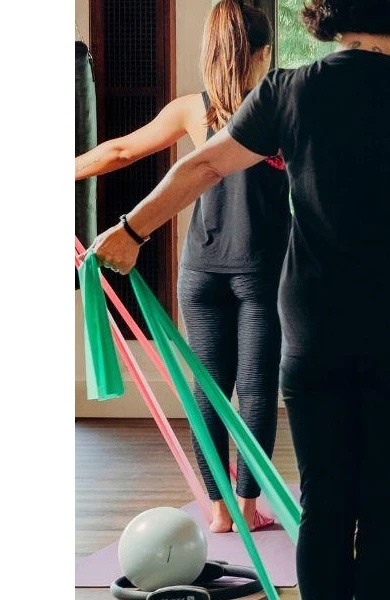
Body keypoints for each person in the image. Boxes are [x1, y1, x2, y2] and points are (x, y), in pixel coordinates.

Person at [90, 1, 390, 597]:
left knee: (322, 500)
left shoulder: (287, 90)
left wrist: (133, 228)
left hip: (313, 326)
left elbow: (207, 165)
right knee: (382, 503)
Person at [75, 0, 285, 534]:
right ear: (261, 53)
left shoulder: (195, 108)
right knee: (256, 388)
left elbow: (119, 151)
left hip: (201, 268)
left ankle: (218, 512)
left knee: (208, 386)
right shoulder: (281, 107)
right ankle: (247, 507)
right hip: (262, 270)